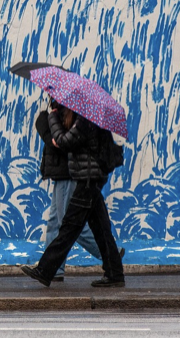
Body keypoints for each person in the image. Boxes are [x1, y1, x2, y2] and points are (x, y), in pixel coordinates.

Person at [22, 107, 125, 287]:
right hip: (90, 178)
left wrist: (51, 118)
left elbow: (63, 141)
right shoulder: (90, 118)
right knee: (101, 228)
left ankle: (45, 270)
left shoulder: (85, 120)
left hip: (87, 180)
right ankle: (115, 273)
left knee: (69, 226)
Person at [36, 100, 106, 281]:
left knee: (68, 224)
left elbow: (59, 142)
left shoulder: (71, 117)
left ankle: (107, 253)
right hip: (59, 173)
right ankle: (54, 270)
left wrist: (47, 122)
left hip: (67, 174)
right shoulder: (62, 114)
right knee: (54, 224)